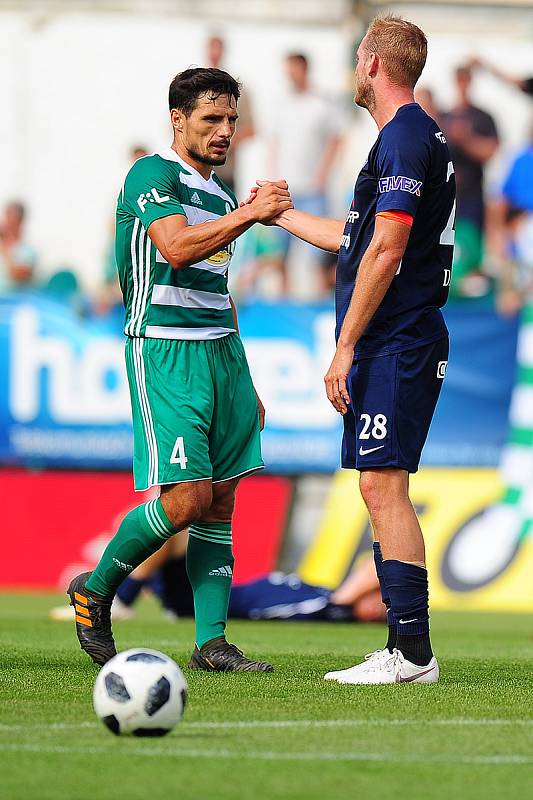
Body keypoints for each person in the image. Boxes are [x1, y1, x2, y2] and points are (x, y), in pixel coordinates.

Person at [248, 15, 455, 684]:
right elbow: (356, 238)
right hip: (396, 337)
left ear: (370, 64)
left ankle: (412, 654)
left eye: (354, 58)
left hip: (398, 337)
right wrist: (275, 215)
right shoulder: (411, 138)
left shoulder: (401, 140)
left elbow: (387, 250)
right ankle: (404, 648)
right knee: (377, 486)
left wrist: (342, 348)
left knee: (382, 484)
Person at [66, 67, 292, 673]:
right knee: (186, 498)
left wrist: (245, 378)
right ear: (178, 119)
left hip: (222, 353)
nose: (224, 132)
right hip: (163, 350)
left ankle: (212, 642)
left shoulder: (220, 196)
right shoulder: (152, 174)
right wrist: (251, 214)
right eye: (211, 119)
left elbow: (218, 288)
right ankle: (97, 587)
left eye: (232, 121)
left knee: (220, 499)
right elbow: (176, 247)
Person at [269, 53, 343, 299]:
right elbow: (275, 143)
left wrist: (322, 175)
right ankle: (283, 302)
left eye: (294, 69)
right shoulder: (282, 104)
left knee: (319, 252)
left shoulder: (320, 102)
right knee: (279, 253)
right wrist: (273, 174)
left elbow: (336, 140)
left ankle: (319, 303)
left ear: (304, 69)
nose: (290, 75)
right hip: (286, 187)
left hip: (312, 188)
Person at [440, 66, 498, 270]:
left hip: (471, 198)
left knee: (471, 252)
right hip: (446, 198)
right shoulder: (444, 117)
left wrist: (465, 139)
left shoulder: (482, 117)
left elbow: (490, 151)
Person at [205, 35, 255, 191]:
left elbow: (250, 129)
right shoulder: (195, 86)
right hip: (196, 171)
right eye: (212, 48)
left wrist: (224, 142)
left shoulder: (237, 88)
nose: (215, 53)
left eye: (218, 48)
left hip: (224, 172)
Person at [0, 201, 38, 292]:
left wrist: (5, 245)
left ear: (20, 221)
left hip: (12, 301)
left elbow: (17, 275)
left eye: (10, 217)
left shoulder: (28, 251)